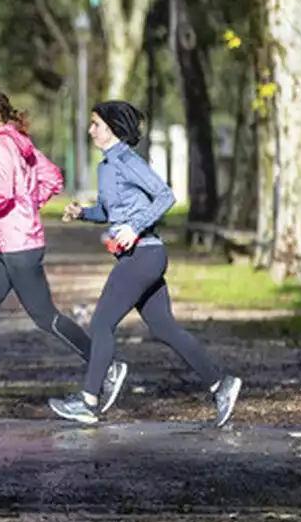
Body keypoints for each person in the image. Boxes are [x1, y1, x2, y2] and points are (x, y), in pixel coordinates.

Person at [0, 89, 128, 413]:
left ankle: (107, 366)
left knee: (46, 318)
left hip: (18, 246)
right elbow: (53, 177)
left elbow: (0, 195)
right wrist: (29, 205)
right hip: (8, 244)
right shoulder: (20, 142)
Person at [49, 101, 242, 427]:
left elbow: (166, 195)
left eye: (96, 123)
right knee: (164, 327)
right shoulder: (106, 165)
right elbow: (111, 214)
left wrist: (135, 227)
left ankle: (89, 401)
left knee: (101, 324)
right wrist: (83, 212)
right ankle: (220, 384)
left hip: (143, 256)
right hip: (139, 257)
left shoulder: (126, 160)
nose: (90, 129)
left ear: (111, 127)